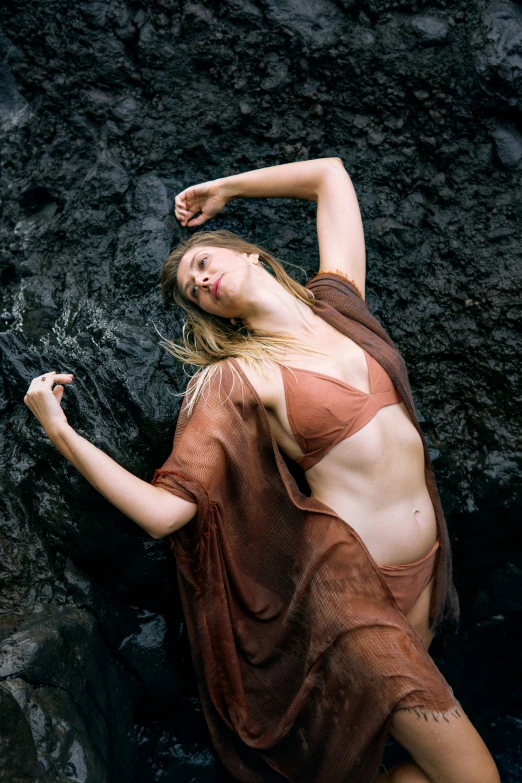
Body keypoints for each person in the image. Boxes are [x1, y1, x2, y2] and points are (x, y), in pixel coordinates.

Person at [24, 158, 499, 783]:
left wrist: (227, 187)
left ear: (246, 254)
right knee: (474, 777)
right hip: (356, 598)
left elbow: (330, 176)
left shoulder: (338, 308)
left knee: (392, 763)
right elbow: (167, 514)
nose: (203, 281)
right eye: (194, 290)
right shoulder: (237, 377)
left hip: (427, 577)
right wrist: (62, 434)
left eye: (204, 263)